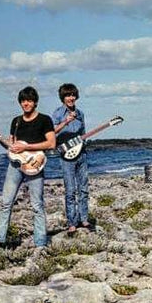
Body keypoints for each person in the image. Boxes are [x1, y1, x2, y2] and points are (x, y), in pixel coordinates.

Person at [0, 86, 55, 249]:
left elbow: (51, 143)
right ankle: (0, 240)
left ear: (35, 102)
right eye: (23, 101)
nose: (26, 103)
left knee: (37, 205)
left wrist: (27, 148)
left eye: (29, 100)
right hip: (14, 166)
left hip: (34, 164)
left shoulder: (44, 120)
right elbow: (10, 146)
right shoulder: (16, 121)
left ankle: (40, 244)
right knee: (6, 203)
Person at [52, 83, 90, 234]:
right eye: (68, 95)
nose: (71, 98)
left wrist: (82, 142)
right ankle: (72, 222)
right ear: (63, 97)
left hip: (82, 154)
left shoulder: (81, 114)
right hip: (66, 156)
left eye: (73, 95)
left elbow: (83, 132)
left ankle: (84, 218)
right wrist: (65, 122)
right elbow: (52, 132)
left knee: (84, 188)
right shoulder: (57, 113)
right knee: (70, 190)